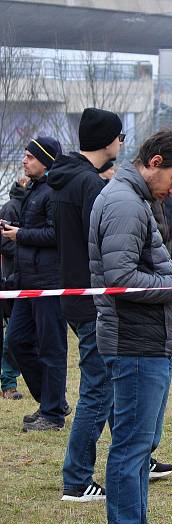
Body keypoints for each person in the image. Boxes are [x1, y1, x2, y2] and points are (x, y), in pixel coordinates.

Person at [89, 129, 172, 524]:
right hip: (134, 344)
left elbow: (142, 265)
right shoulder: (125, 203)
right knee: (131, 449)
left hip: (147, 342)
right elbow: (122, 278)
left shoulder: (132, 198)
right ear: (155, 162)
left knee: (139, 448)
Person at [48, 107, 123, 502]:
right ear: (108, 140)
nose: (122, 143)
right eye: (119, 136)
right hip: (92, 300)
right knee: (98, 388)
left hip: (74, 296)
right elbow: (104, 248)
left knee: (108, 383)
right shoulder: (90, 186)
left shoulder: (65, 180)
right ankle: (77, 480)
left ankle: (136, 457)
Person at [4, 136, 68, 432]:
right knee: (16, 342)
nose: (24, 160)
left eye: (29, 156)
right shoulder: (33, 190)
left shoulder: (54, 192)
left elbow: (56, 236)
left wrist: (20, 235)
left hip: (50, 283)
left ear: (45, 160)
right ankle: (50, 402)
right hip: (27, 282)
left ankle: (52, 414)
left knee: (51, 348)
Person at [0, 175, 28, 400]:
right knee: (11, 335)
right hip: (10, 280)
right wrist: (28, 246)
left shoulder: (34, 204)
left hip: (28, 280)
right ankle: (8, 383)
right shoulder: (11, 208)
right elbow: (4, 244)